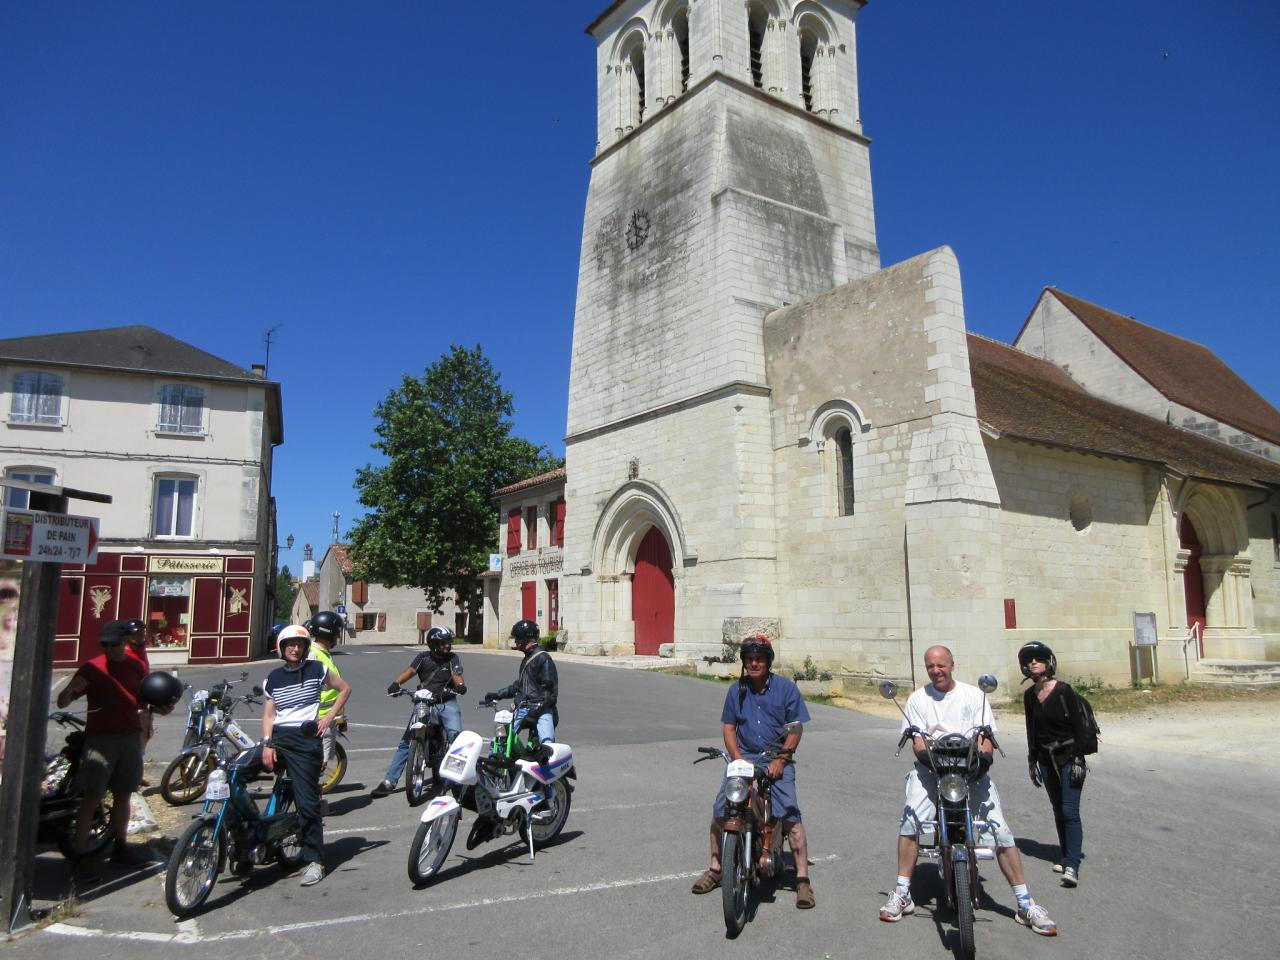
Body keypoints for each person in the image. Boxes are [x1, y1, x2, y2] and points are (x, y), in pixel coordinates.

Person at [878, 645, 1057, 936]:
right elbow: (917, 741)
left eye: (941, 665)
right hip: (932, 770)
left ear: (952, 665)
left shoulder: (974, 695)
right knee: (910, 820)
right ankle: (903, 893)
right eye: (930, 667)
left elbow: (985, 737)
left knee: (1000, 830)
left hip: (970, 771)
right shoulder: (917, 699)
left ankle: (1025, 903)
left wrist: (983, 761)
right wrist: (928, 759)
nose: (936, 671)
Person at [690, 635, 814, 910]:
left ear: (768, 661)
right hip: (745, 757)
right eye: (749, 659)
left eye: (759, 658)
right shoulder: (736, 691)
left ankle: (803, 879)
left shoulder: (785, 689)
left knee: (790, 813)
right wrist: (738, 760)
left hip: (776, 757)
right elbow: (729, 728)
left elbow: (795, 728)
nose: (754, 663)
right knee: (721, 809)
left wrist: (782, 760)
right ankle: (716, 868)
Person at [56, 621, 173, 879]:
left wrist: (161, 708)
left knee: (123, 794)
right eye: (104, 644)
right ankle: (81, 855)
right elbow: (62, 701)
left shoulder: (135, 666)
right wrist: (70, 690)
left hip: (130, 737)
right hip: (100, 739)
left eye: (114, 644)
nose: (109, 649)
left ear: (125, 642)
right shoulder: (92, 667)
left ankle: (120, 847)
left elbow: (145, 701)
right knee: (92, 797)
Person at [261, 624, 351, 887]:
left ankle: (314, 860)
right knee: (236, 772)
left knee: (308, 803)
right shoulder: (273, 678)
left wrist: (329, 717)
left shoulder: (317, 669)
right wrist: (267, 744)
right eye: (290, 644)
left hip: (305, 741)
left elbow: (345, 688)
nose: (295, 648)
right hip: (277, 739)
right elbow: (269, 714)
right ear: (281, 647)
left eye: (299, 645)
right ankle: (246, 841)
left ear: (305, 648)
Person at [1020, 641, 1088, 888]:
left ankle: (1072, 865)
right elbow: (1031, 729)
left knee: (1070, 810)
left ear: (1049, 663)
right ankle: (1065, 854)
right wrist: (1031, 760)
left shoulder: (1063, 690)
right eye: (1030, 661)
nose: (1033, 663)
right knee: (1058, 809)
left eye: (1038, 659)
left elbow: (1079, 727)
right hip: (1046, 759)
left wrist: (1079, 758)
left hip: (1069, 756)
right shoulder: (1029, 696)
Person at [371, 626, 467, 797]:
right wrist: (396, 683)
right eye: (443, 643)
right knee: (407, 740)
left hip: (446, 701)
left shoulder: (453, 658)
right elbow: (410, 671)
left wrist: (459, 686)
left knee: (456, 736)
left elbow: (457, 675)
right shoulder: (423, 657)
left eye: (448, 642)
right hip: (424, 701)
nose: (447, 646)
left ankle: (458, 780)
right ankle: (389, 781)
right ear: (434, 644)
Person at [485, 620, 557, 744]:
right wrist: (499, 694)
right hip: (522, 707)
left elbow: (549, 693)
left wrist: (534, 712)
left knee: (547, 744)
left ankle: (547, 761)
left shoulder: (543, 658)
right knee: (500, 740)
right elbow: (521, 685)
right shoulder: (527, 657)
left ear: (524, 638)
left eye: (517, 638)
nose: (515, 642)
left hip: (541, 710)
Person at [307, 611, 346, 776]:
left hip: (325, 717)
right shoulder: (314, 655)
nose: (338, 636)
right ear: (329, 633)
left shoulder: (319, 653)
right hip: (320, 720)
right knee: (316, 766)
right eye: (337, 632)